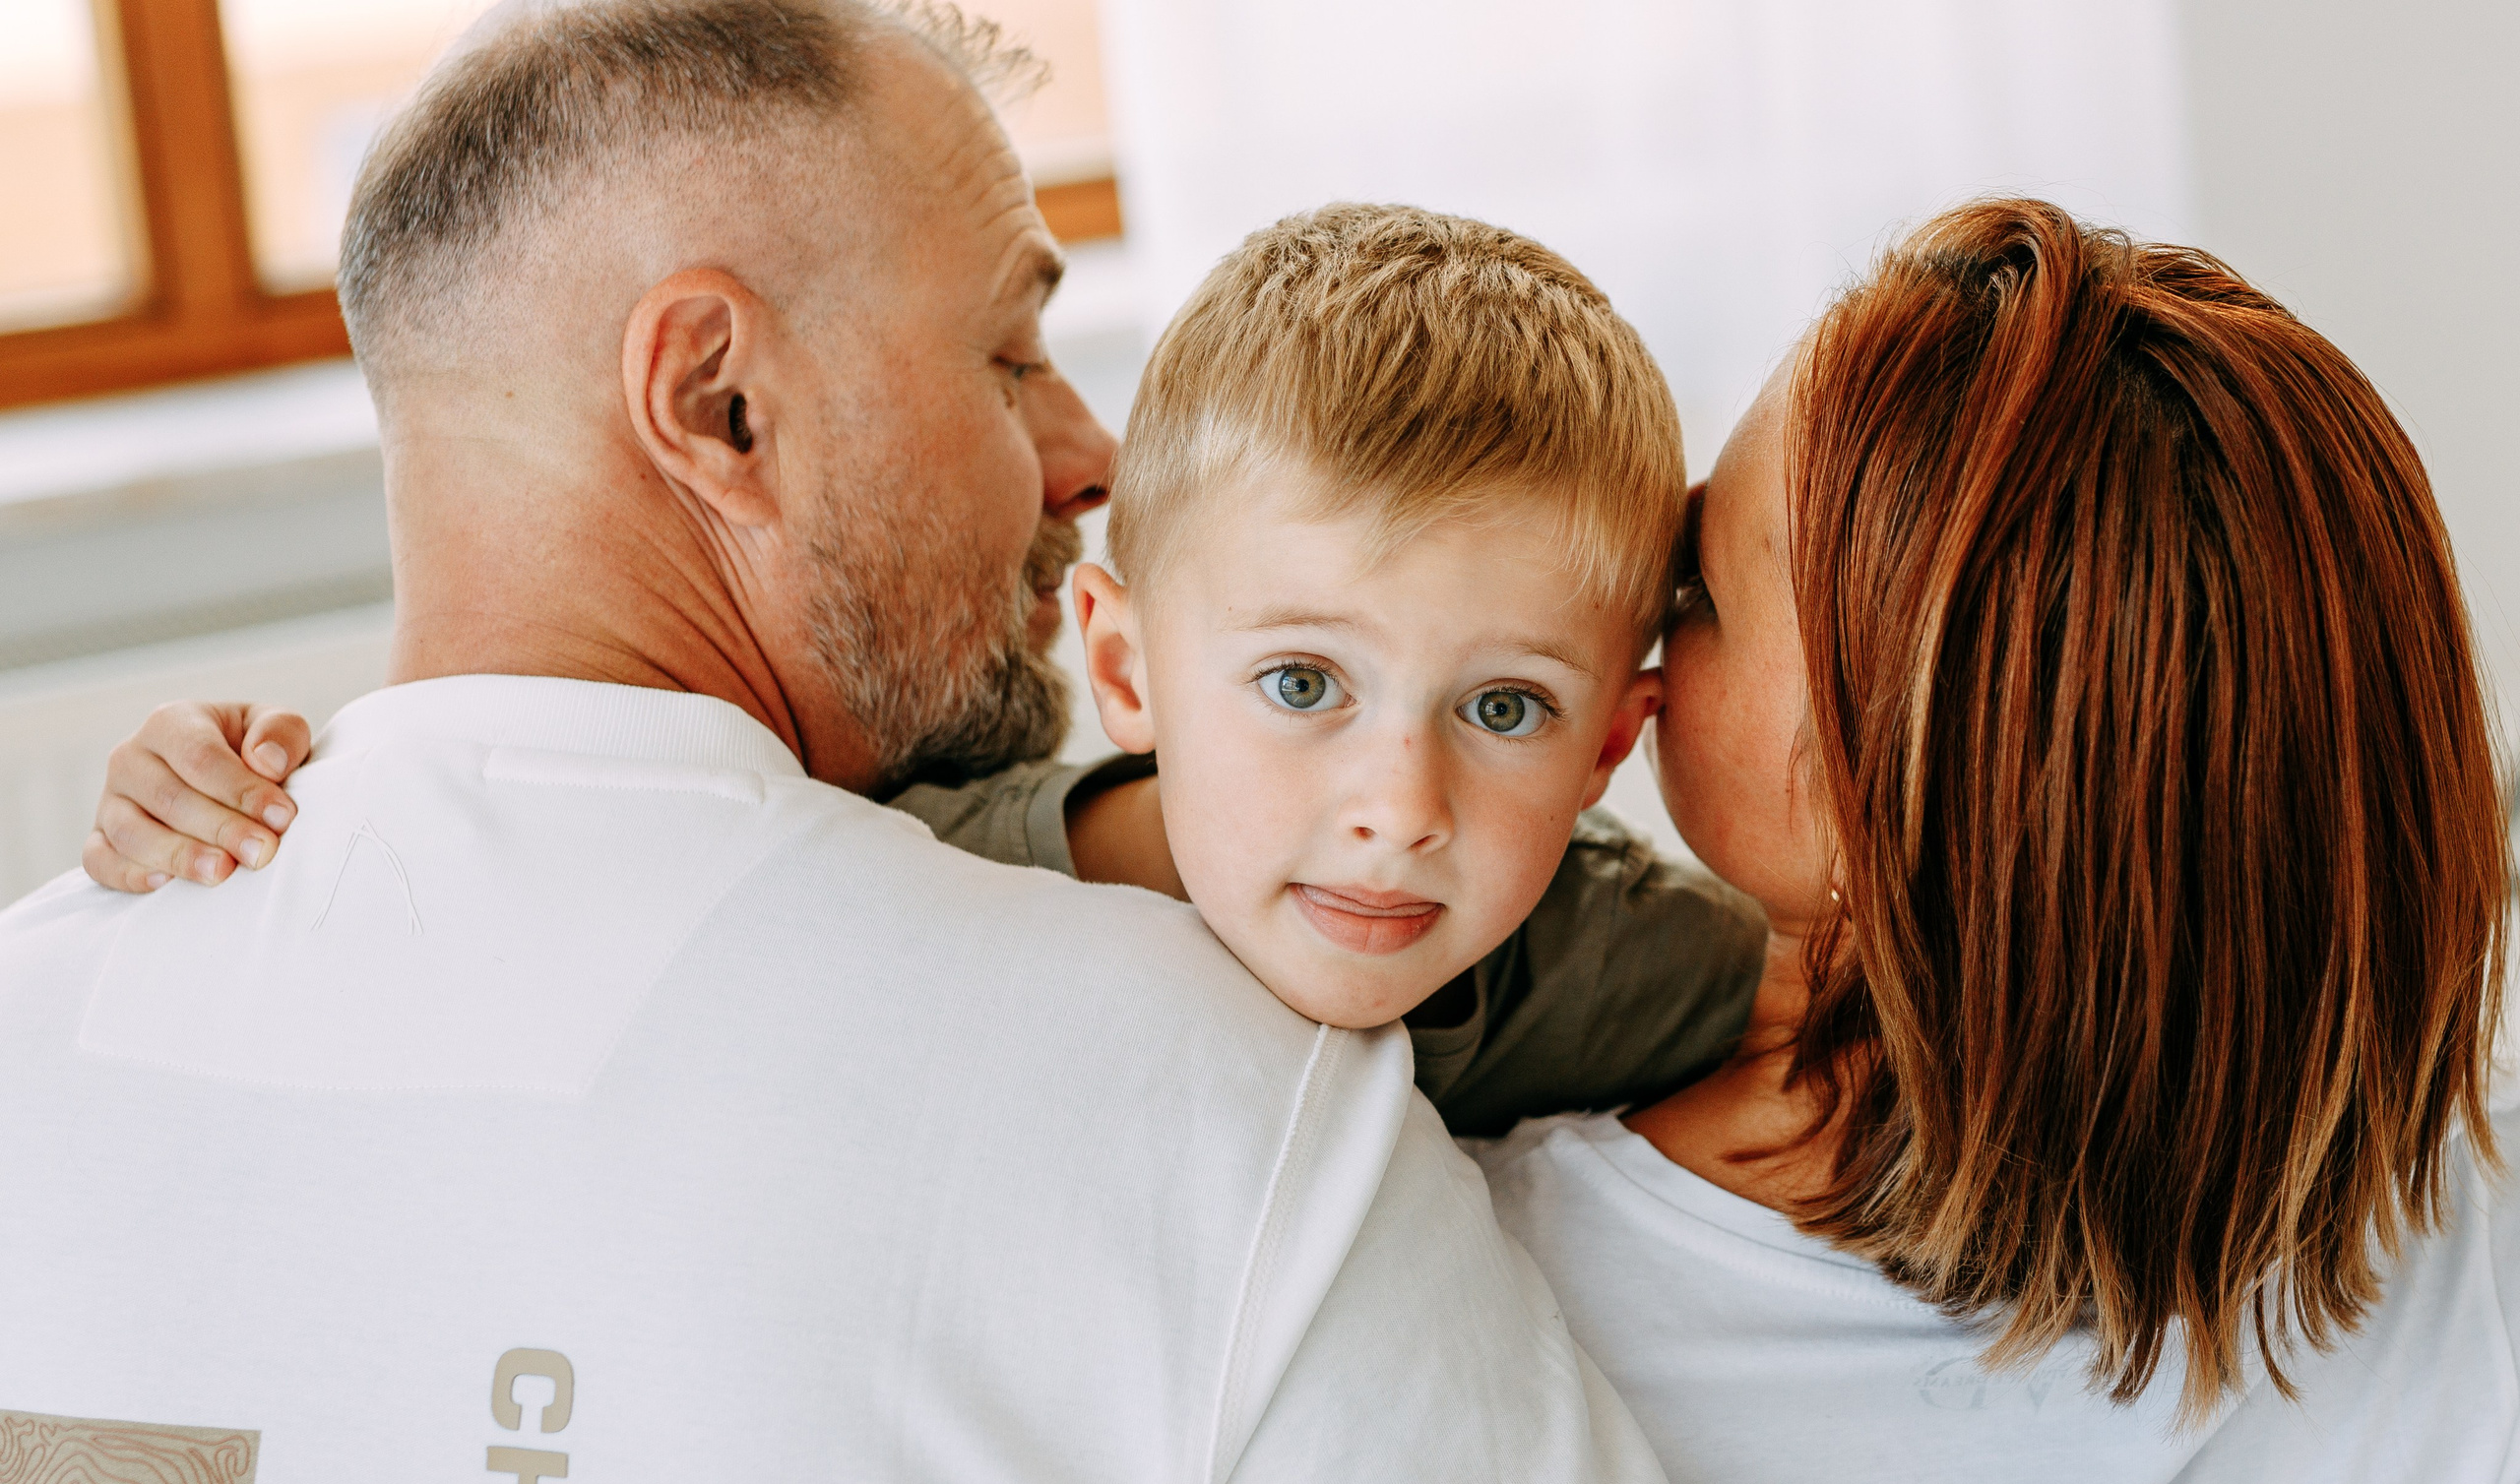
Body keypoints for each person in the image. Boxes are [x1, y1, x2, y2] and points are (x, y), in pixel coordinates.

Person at [0, 1, 1810, 1484]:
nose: (1088, 450)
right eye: (1009, 347)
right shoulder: (1208, 1091)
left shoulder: (43, 1016)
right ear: (719, 401)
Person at [102, 201, 1769, 1140]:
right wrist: (236, 779)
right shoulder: (886, 855)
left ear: (1616, 740)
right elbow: (533, 843)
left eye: (1502, 711)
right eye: (1302, 687)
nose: (1400, 810)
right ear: (1121, 663)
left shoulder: (1635, 962)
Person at [1472, 201, 2519, 1484]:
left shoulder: (1502, 1269)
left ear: (1889, 797)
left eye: (1698, 592)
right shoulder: (2471, 1235)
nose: (1637, 620)